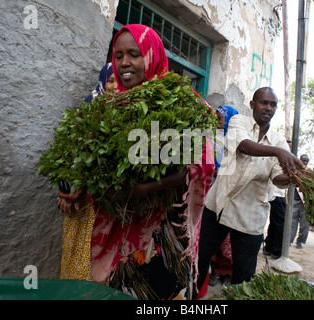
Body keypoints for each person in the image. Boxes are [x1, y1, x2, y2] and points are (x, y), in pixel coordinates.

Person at [57, 24, 215, 300]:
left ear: (152, 55)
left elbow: (198, 166)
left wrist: (142, 188)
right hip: (119, 227)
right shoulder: (107, 106)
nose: (124, 63)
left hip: (165, 232)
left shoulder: (184, 102)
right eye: (118, 56)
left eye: (134, 54)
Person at [196, 87, 304, 293]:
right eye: (264, 103)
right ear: (253, 105)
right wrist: (278, 152)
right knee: (198, 263)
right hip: (218, 205)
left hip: (250, 216)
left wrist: (293, 178)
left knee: (244, 279)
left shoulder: (279, 140)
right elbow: (244, 146)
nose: (268, 108)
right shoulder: (239, 122)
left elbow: (277, 178)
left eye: (273, 105)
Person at [209, 106, 239, 286]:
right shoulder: (212, 137)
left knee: (229, 236)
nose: (218, 121)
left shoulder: (237, 140)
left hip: (230, 192)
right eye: (217, 117)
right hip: (213, 188)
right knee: (213, 234)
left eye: (221, 118)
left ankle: (229, 272)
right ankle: (215, 271)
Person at [290, 154, 310, 249]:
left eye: (306, 161)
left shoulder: (310, 173)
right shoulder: (294, 171)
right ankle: (289, 240)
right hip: (295, 200)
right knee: (292, 222)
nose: (305, 162)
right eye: (303, 160)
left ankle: (300, 241)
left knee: (304, 224)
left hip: (305, 203)